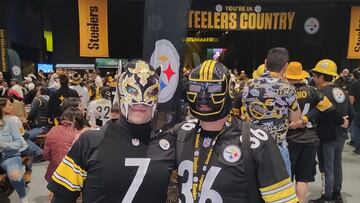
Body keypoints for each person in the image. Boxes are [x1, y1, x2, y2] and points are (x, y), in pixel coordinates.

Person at [169, 60, 298, 202]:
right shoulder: (179, 133)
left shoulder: (257, 142)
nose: (203, 96)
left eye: (213, 88)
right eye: (195, 87)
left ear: (229, 89)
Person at [47, 60, 176, 203]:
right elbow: (61, 198)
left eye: (150, 92)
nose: (140, 102)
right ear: (120, 92)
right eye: (132, 90)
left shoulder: (168, 145)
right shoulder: (88, 143)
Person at [284, 62, 348, 203]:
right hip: (310, 138)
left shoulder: (282, 91)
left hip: (288, 139)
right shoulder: (313, 91)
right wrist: (305, 119)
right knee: (303, 178)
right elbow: (328, 107)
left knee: (286, 178)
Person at [241, 47, 302, 176]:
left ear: (265, 62)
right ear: (285, 66)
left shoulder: (249, 84)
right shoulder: (287, 87)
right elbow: (296, 118)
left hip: (252, 145)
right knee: (281, 192)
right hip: (277, 147)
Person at [309, 59, 354, 203]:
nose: (314, 79)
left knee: (327, 165)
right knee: (337, 164)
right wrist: (345, 123)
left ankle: (327, 196)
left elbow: (314, 114)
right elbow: (352, 114)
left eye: (315, 76)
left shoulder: (320, 93)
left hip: (326, 135)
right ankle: (336, 193)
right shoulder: (343, 92)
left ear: (322, 77)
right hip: (341, 135)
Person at [43, 107, 85, 183]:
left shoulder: (54, 129)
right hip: (75, 176)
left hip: (56, 172)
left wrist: (53, 160)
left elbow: (46, 154)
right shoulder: (83, 134)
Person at [0, 98, 28, 203]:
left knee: (15, 175)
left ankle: (23, 197)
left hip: (9, 157)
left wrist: (3, 145)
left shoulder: (9, 122)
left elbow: (18, 143)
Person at [349, 68, 360, 154]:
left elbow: (351, 98)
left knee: (356, 127)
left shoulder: (354, 84)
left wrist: (349, 110)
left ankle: (358, 148)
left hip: (357, 109)